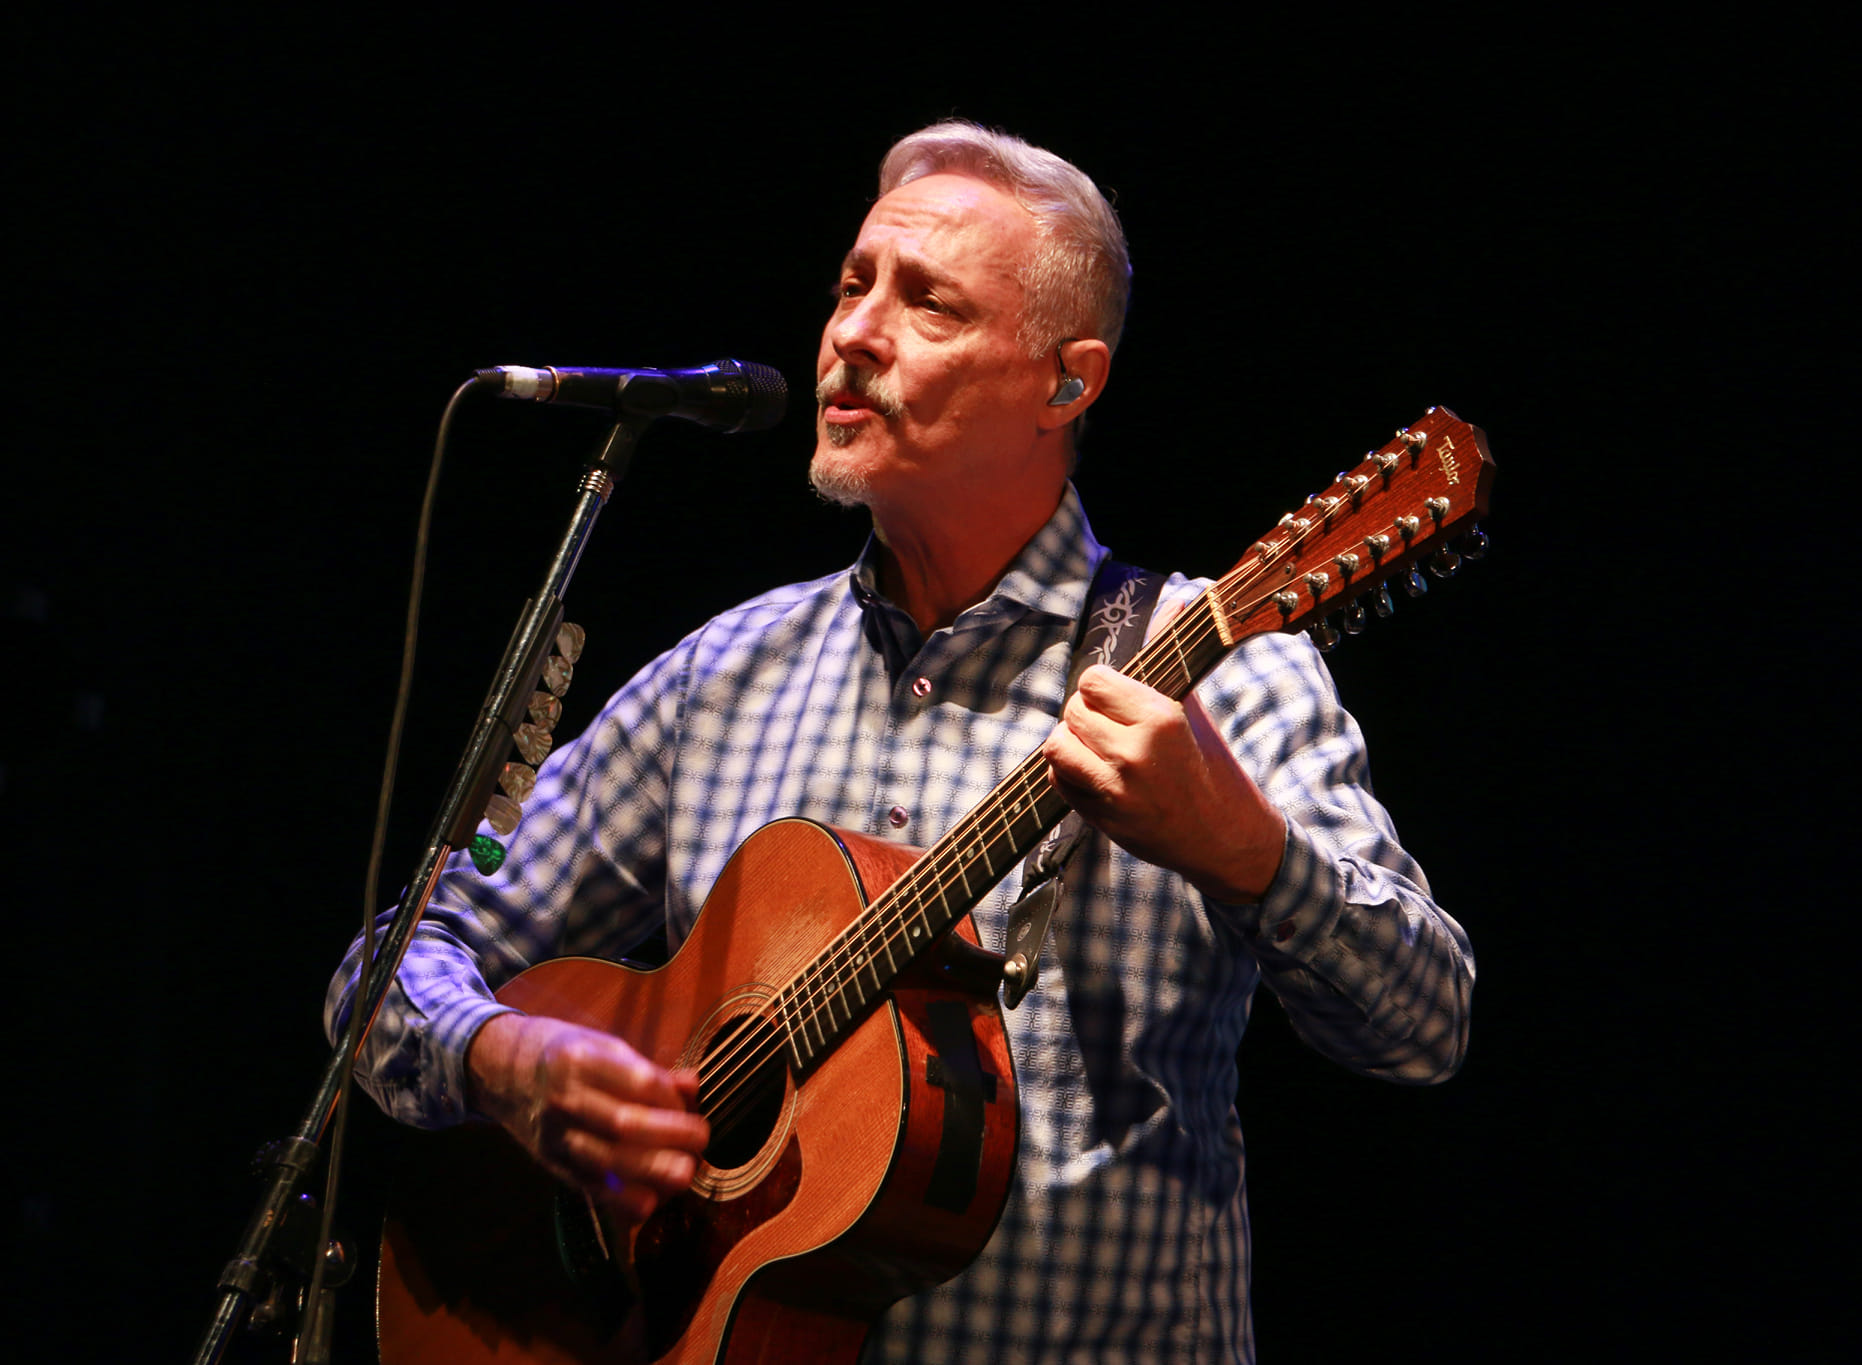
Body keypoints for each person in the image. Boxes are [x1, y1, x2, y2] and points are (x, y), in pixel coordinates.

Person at [328, 120, 1474, 1363]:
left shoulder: (1225, 668)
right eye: (850, 286)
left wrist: (1238, 845)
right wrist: (505, 1057)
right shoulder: (725, 673)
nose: (852, 334)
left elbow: (1426, 1024)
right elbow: (385, 974)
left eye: (925, 303)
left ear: (1064, 382)